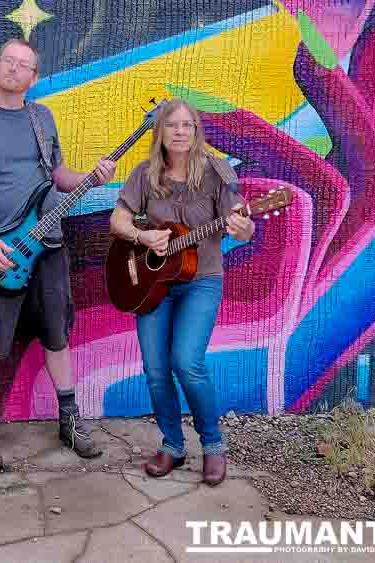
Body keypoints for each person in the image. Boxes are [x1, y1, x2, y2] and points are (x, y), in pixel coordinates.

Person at [0, 37, 117, 468]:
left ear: (34, 77)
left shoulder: (42, 118)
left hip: (50, 244)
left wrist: (90, 179)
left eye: (24, 65)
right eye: (8, 61)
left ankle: (70, 419)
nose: (15, 70)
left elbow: (57, 175)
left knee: (57, 333)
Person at [109, 98, 254, 486]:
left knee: (186, 362)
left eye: (187, 125)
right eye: (172, 125)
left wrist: (243, 228)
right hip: (153, 286)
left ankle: (213, 447)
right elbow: (118, 219)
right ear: (160, 133)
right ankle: (173, 446)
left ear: (196, 131)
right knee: (156, 370)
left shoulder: (216, 174)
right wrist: (142, 235)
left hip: (200, 281)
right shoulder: (144, 174)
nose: (179, 131)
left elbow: (242, 222)